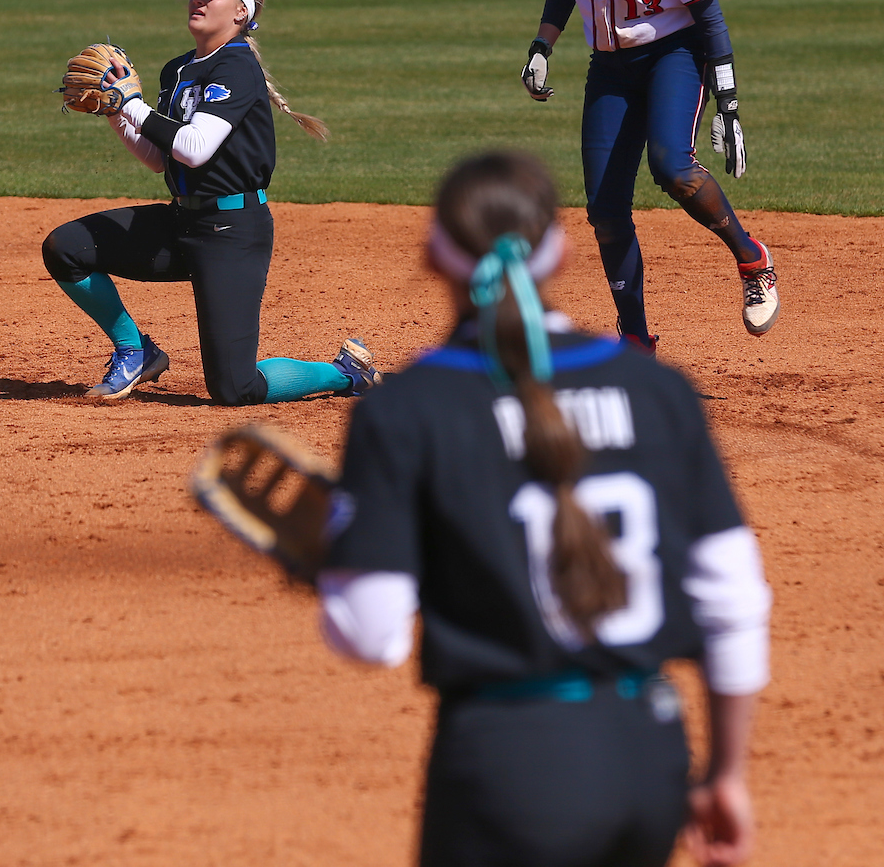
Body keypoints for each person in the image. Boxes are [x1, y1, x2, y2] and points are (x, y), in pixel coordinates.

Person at [318, 150, 770, 867]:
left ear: (434, 258)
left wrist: (332, 563)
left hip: (505, 764)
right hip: (649, 752)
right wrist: (726, 776)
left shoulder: (409, 409)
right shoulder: (658, 392)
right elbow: (735, 601)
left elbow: (371, 635)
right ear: (559, 255)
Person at [43, 0, 381, 404]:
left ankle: (345, 374)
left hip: (233, 234)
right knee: (65, 248)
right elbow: (161, 160)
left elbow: (196, 147)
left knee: (234, 387)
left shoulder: (237, 67)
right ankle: (135, 349)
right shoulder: (177, 70)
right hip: (181, 225)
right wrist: (117, 111)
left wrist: (136, 105)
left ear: (241, 11)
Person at [522, 0, 779, 353]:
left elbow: (709, 18)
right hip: (609, 66)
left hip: (674, 58)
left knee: (673, 169)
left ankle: (752, 258)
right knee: (604, 210)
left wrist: (728, 105)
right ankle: (635, 339)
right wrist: (544, 42)